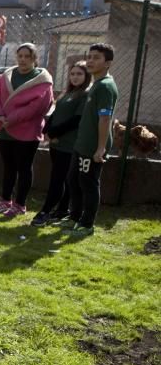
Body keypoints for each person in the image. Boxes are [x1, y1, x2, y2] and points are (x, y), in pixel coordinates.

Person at [58, 43, 119, 237]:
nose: (91, 60)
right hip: (81, 144)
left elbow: (105, 118)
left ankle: (87, 224)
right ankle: (74, 217)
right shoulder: (96, 84)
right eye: (90, 56)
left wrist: (100, 148)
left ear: (108, 63)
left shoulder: (105, 86)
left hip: (93, 147)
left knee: (88, 184)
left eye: (97, 58)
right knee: (73, 180)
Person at [0, 43, 54, 217]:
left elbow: (39, 106)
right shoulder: (7, 75)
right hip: (4, 129)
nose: (23, 60)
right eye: (20, 56)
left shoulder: (43, 80)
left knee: (24, 167)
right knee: (8, 167)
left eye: (27, 56)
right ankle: (5, 199)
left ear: (34, 59)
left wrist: (12, 119)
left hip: (27, 131)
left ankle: (20, 204)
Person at [30, 61, 91, 227]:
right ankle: (62, 210)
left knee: (57, 180)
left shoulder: (85, 94)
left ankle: (45, 211)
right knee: (63, 179)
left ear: (87, 76)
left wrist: (54, 133)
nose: (75, 77)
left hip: (69, 145)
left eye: (79, 74)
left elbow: (76, 120)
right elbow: (56, 114)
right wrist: (47, 131)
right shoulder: (68, 93)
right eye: (72, 74)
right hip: (56, 144)